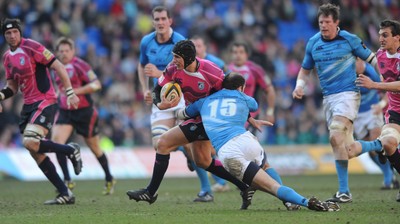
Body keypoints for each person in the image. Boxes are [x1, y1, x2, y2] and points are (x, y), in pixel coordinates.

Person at [175, 72, 340, 212]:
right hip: (247, 140)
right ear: (241, 87)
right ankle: (295, 201)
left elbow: (182, 114)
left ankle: (301, 201)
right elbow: (253, 106)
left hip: (228, 151)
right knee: (267, 168)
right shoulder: (244, 97)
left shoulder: (204, 102)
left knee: (269, 187)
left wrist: (171, 102)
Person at [127, 40, 255, 209]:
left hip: (210, 120)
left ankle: (150, 192)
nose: (173, 61)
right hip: (194, 117)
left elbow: (230, 96)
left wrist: (247, 116)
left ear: (188, 58)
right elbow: (157, 90)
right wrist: (161, 104)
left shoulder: (212, 71)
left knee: (163, 143)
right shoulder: (173, 69)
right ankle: (245, 186)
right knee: (202, 161)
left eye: (177, 57)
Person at [292, 3, 383, 203]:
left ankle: (345, 190)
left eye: (327, 22)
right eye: (320, 22)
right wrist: (300, 86)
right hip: (328, 99)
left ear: (336, 23)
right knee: (346, 149)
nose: (323, 25)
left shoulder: (350, 39)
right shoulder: (313, 42)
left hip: (348, 94)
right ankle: (379, 145)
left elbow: (372, 59)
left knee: (335, 135)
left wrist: (385, 78)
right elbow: (305, 69)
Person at [0, 18, 82, 205]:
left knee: (30, 140)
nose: (12, 36)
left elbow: (58, 66)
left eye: (15, 32)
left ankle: (70, 150)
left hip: (45, 100)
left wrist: (69, 92)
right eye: (8, 33)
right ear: (4, 36)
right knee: (34, 150)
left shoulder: (32, 47)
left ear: (20, 32)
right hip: (28, 105)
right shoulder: (7, 58)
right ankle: (65, 193)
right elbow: (12, 87)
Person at [137, 6, 213, 202]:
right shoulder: (146, 41)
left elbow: (186, 71)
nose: (160, 22)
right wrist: (146, 88)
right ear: (153, 21)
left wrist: (159, 74)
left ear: (170, 21)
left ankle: (206, 189)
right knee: (158, 143)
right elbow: (141, 65)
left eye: (163, 18)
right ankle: (183, 151)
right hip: (161, 98)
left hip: (180, 98)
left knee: (190, 147)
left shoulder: (180, 41)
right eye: (157, 19)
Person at [51, 37, 116, 195]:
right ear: (57, 53)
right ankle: (67, 180)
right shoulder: (55, 68)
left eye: (67, 50)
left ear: (73, 51)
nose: (64, 54)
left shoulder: (80, 65)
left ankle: (109, 177)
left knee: (94, 147)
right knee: (57, 142)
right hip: (65, 111)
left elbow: (96, 84)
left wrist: (73, 92)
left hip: (84, 111)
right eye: (61, 51)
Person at [355, 19, 400, 201]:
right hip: (396, 111)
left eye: (385, 35)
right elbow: (386, 83)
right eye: (380, 34)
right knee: (388, 143)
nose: (381, 38)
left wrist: (374, 85)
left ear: (397, 38)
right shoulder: (380, 55)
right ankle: (381, 152)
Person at [190, 35, 230, 193]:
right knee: (191, 149)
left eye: (198, 46)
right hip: (197, 113)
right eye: (193, 46)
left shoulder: (216, 64)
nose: (196, 49)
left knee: (205, 152)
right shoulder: (187, 66)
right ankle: (214, 184)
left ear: (205, 47)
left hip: (214, 113)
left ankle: (219, 182)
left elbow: (231, 82)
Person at [353, 59, 398, 190]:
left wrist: (381, 105)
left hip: (373, 111)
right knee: (372, 151)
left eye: (356, 60)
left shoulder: (371, 72)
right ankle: (390, 174)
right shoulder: (346, 73)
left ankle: (389, 178)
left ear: (360, 60)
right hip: (357, 116)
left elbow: (389, 89)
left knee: (376, 140)